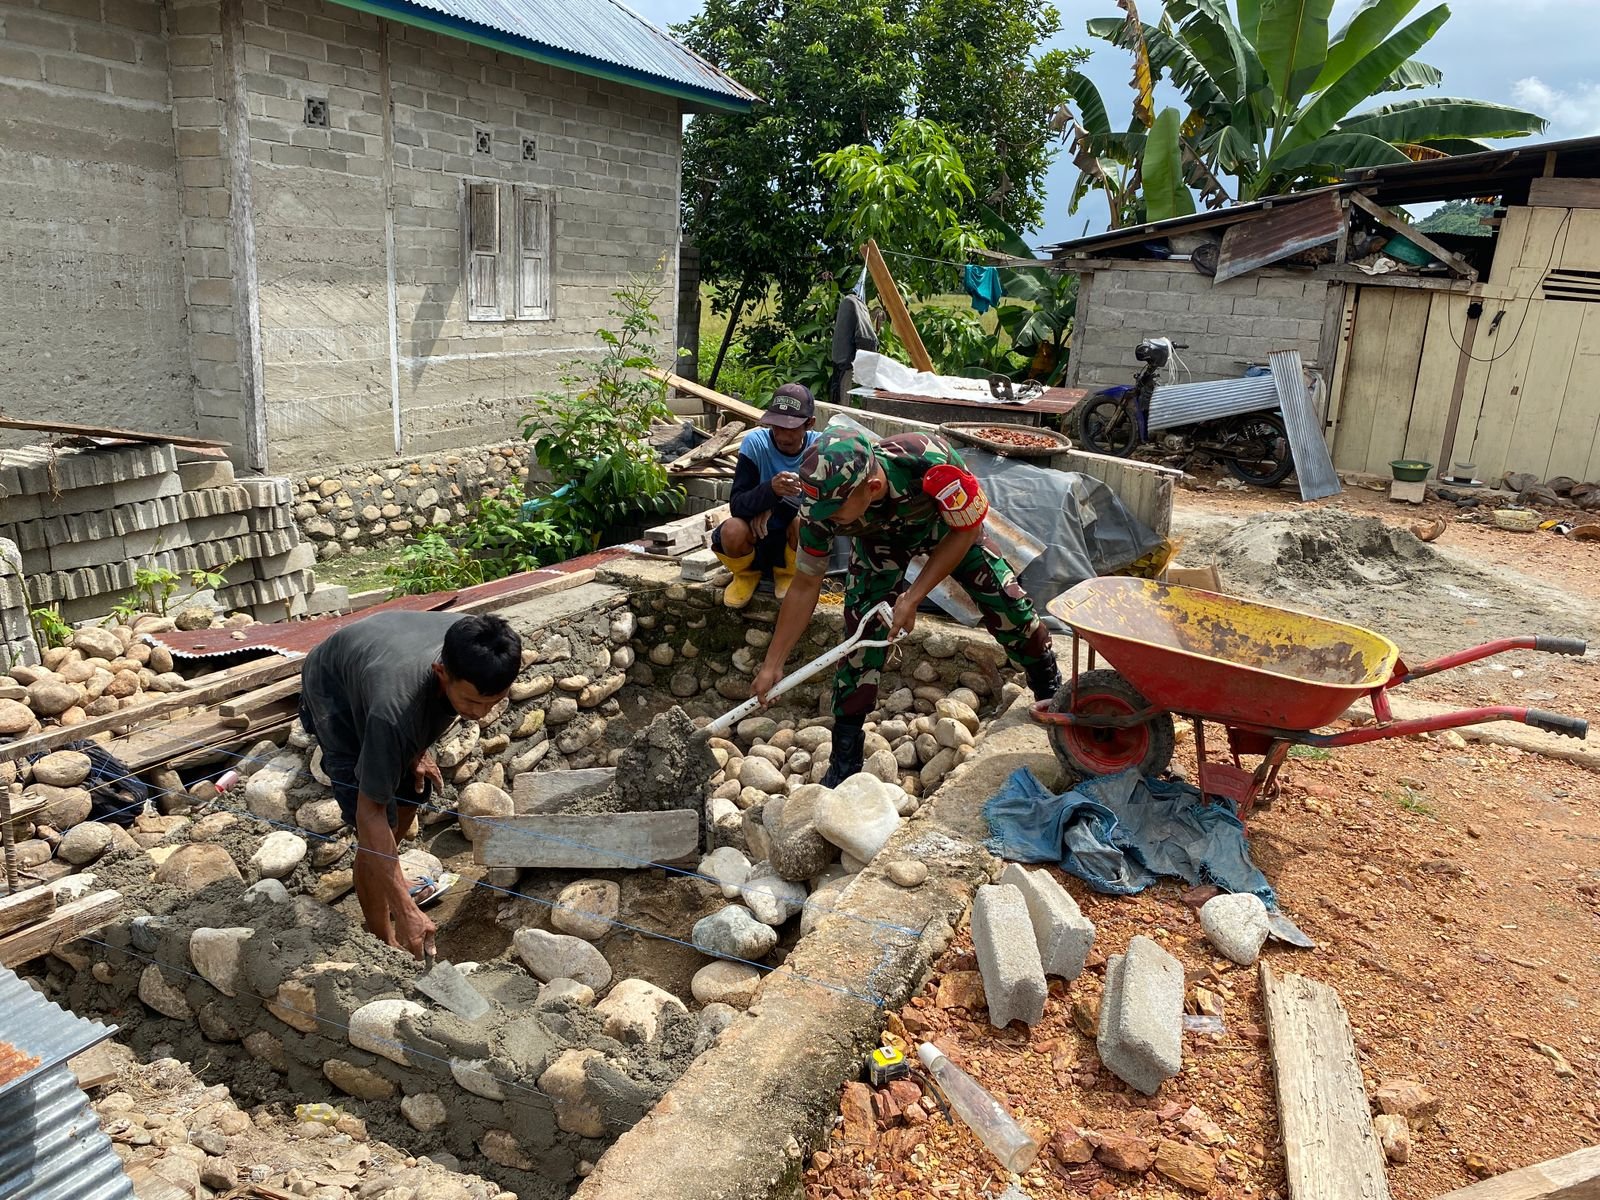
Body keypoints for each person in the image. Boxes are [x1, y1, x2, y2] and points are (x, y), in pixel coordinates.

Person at [751, 427, 1061, 786]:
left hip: (950, 531)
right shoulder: (821, 509)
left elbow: (965, 530)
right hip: (878, 546)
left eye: (835, 511)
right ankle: (845, 760)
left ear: (872, 487)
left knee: (1010, 607)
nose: (825, 518)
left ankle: (1048, 687)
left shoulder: (931, 461)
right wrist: (773, 664)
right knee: (859, 643)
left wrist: (913, 597)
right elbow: (805, 584)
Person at [299, 611, 521, 958]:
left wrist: (415, 749)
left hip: (385, 670)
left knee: (412, 791)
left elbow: (424, 709)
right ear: (441, 672)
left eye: (493, 702)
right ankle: (383, 941)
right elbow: (369, 814)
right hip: (334, 688)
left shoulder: (486, 647)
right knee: (376, 825)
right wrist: (406, 911)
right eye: (471, 702)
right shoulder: (393, 713)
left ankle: (389, 881)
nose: (480, 713)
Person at [710, 382, 821, 608]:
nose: (782, 436)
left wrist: (775, 506)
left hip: (791, 541)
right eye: (777, 427)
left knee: (804, 523)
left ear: (809, 424)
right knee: (732, 529)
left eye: (791, 428)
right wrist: (771, 490)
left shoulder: (819, 447)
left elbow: (824, 507)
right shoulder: (756, 443)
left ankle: (788, 574)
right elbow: (737, 505)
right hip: (758, 537)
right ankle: (746, 576)